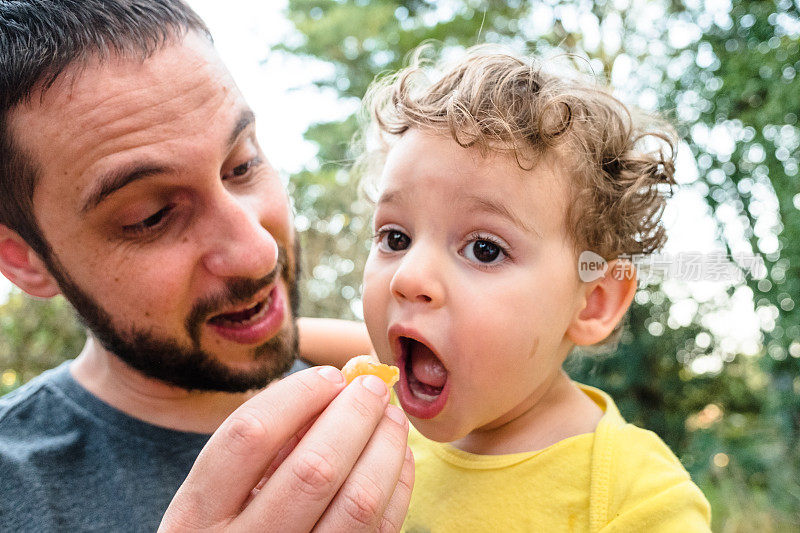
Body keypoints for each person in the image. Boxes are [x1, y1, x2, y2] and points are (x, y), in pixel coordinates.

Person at [0, 1, 412, 531]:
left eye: (242, 164)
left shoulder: (414, 393)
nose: (259, 253)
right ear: (26, 259)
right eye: (150, 217)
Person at [310, 47, 713, 530]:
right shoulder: (357, 434)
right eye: (396, 238)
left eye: (484, 249)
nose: (408, 277)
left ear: (593, 302)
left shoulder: (638, 497)